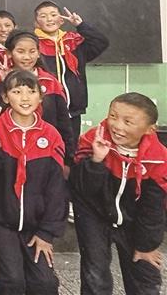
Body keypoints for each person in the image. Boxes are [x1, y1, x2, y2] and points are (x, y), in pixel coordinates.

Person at [0, 70, 66, 295]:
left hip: (36, 224)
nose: (25, 98)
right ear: (5, 97)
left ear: (40, 97)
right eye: (17, 92)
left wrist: (47, 232)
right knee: (12, 280)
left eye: (31, 92)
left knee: (45, 284)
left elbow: (56, 189)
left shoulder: (51, 135)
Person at [71, 92, 167, 295]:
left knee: (145, 271)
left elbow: (153, 208)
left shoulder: (158, 159)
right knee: (96, 273)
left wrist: (146, 245)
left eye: (128, 121)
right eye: (112, 116)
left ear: (150, 129)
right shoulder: (94, 139)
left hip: (133, 218)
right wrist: (97, 161)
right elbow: (82, 189)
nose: (117, 126)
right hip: (94, 214)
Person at [0, 30, 76, 165]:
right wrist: (5, 83)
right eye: (20, 51)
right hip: (10, 154)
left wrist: (68, 161)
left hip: (45, 152)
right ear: (9, 53)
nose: (27, 57)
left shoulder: (51, 82)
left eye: (32, 51)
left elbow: (64, 122)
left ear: (38, 52)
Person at [33, 1, 109, 139]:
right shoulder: (33, 45)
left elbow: (101, 42)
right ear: (37, 23)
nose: (49, 19)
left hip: (73, 110)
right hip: (46, 109)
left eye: (53, 15)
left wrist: (80, 25)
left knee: (71, 146)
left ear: (61, 20)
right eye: (43, 16)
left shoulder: (74, 41)